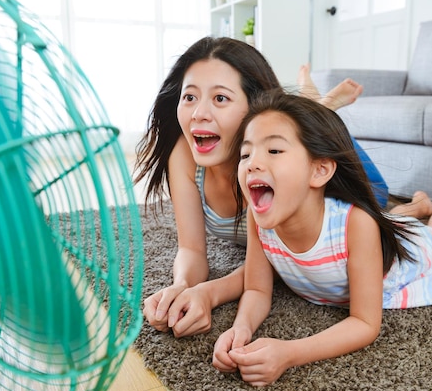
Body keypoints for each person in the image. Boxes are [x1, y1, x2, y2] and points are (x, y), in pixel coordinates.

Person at [212, 91, 432, 386]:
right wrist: (241, 329)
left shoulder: (357, 224)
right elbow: (258, 290)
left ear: (320, 170)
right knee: (393, 219)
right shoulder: (259, 218)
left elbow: (365, 323)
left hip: (406, 253)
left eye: (274, 151)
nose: (252, 163)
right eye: (246, 154)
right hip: (375, 231)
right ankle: (419, 205)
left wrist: (290, 352)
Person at [133, 36, 388, 338]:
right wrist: (180, 287)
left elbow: (288, 264)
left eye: (220, 98)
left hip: (351, 182)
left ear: (254, 107)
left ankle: (320, 109)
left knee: (379, 208)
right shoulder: (186, 155)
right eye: (189, 97)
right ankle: (314, 106)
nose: (198, 114)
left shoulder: (279, 172)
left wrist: (210, 293)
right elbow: (191, 249)